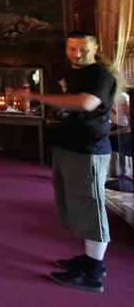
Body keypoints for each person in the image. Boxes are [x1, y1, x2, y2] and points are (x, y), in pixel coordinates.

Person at [22, 30, 120, 293]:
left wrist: (37, 97)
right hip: (67, 146)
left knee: (89, 205)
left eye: (83, 49)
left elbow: (85, 103)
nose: (77, 54)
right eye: (72, 49)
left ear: (95, 48)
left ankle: (91, 274)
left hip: (87, 148)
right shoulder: (70, 73)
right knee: (75, 203)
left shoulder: (100, 76)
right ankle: (91, 260)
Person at [105, 89, 131, 191]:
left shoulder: (124, 99)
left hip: (126, 132)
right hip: (117, 129)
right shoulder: (110, 98)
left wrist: (111, 133)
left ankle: (124, 175)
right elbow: (115, 119)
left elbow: (130, 125)